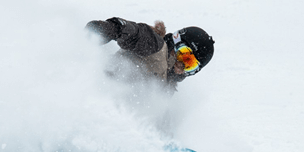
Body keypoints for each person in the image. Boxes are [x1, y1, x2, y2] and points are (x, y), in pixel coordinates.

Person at [85, 17, 214, 92]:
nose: (181, 66)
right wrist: (111, 29)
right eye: (184, 55)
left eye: (190, 65)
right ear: (176, 40)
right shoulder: (156, 47)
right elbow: (136, 34)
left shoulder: (168, 85)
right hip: (99, 88)